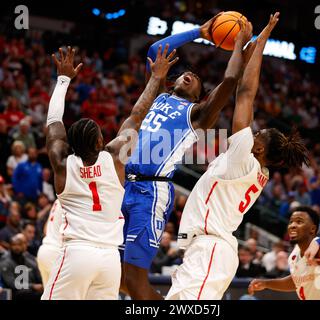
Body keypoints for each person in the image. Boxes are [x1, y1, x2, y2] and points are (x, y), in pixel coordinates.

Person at [165, 13, 309, 300]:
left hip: (211, 249)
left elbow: (245, 93)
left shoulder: (245, 157)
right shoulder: (255, 167)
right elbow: (246, 96)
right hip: (209, 250)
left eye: (258, 133)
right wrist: (258, 43)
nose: (253, 130)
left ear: (258, 148)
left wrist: (261, 38)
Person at [121, 13, 253, 300]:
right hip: (123, 185)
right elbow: (157, 51)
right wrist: (200, 31)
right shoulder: (156, 92)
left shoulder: (196, 115)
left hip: (151, 192)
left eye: (196, 80)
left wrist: (240, 44)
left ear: (199, 96)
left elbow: (230, 80)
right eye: (184, 73)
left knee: (133, 280)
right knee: (115, 273)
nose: (188, 74)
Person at [41, 45, 178, 300]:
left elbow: (54, 122)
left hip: (77, 254)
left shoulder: (62, 164)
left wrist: (63, 80)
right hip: (109, 261)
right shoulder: (115, 159)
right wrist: (157, 77)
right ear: (98, 142)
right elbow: (137, 114)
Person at [248, 206, 320, 300]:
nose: (292, 225)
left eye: (299, 221)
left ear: (312, 229)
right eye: (291, 222)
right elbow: (297, 280)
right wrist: (266, 284)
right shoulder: (294, 255)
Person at [0, 234, 43, 300]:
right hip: (15, 292)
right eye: (14, 245)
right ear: (10, 246)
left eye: (19, 245)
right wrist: (32, 286)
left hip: (30, 289)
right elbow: (12, 283)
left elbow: (36, 271)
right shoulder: (5, 261)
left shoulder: (27, 257)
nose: (17, 247)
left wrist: (41, 284)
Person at [37, 200, 63, 287]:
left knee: (48, 295)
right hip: (56, 253)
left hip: (44, 249)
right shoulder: (70, 199)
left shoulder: (58, 200)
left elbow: (45, 230)